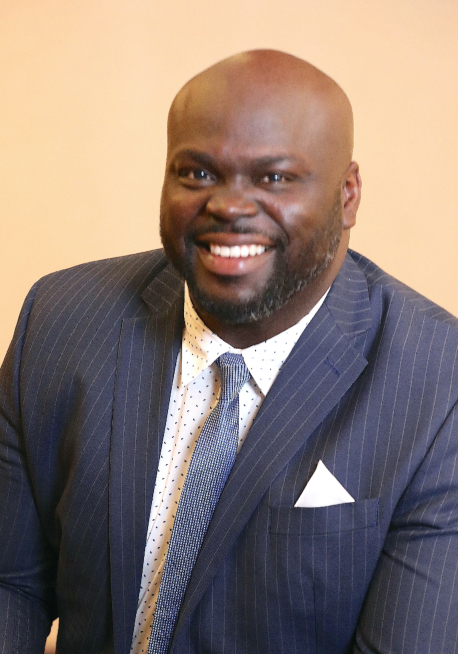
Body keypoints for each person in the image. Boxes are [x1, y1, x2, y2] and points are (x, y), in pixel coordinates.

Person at [1, 49, 458, 654]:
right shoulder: (62, 318)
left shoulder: (437, 380)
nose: (229, 206)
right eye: (197, 173)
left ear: (348, 195)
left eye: (274, 178)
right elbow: (11, 584)